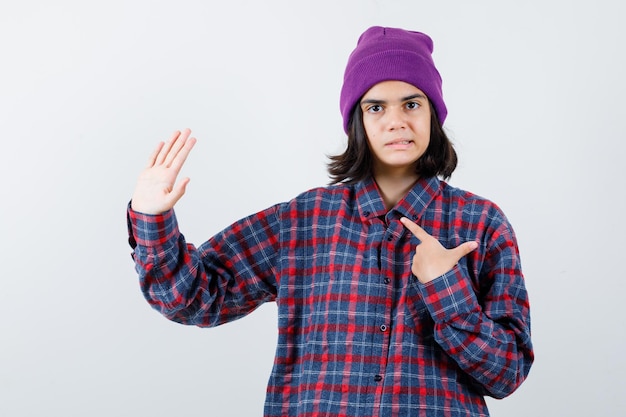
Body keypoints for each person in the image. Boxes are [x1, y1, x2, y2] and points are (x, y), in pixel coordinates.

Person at [127, 26, 533, 417]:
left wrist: (447, 290)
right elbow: (193, 297)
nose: (396, 121)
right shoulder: (302, 221)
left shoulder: (482, 224)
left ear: (433, 114)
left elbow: (507, 375)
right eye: (376, 107)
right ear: (357, 120)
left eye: (412, 103)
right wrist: (151, 217)